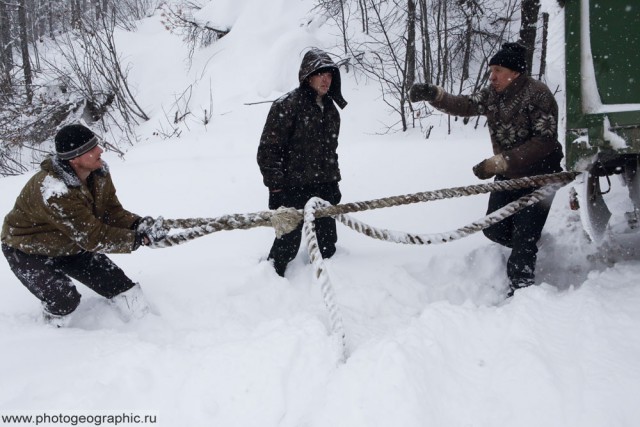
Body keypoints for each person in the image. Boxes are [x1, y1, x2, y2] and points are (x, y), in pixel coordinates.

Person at [409, 42, 564, 297]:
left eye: (498, 70)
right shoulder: (493, 94)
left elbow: (544, 141)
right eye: (491, 70)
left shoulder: (538, 95)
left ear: (514, 72)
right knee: (493, 228)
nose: (492, 76)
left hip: (540, 175)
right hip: (509, 175)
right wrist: (434, 95)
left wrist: (501, 162)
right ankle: (528, 242)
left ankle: (523, 293)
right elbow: (465, 105)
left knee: (524, 237)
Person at [1, 124, 167, 326]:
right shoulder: (54, 191)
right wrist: (138, 239)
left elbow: (110, 212)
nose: (100, 150)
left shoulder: (99, 172)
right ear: (74, 158)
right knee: (64, 299)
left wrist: (138, 225)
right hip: (27, 249)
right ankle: (51, 333)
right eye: (91, 149)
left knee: (120, 285)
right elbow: (93, 238)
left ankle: (152, 325)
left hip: (70, 241)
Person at [257, 48, 348, 277]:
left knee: (327, 243)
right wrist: (276, 187)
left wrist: (333, 183)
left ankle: (325, 282)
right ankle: (269, 282)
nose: (326, 79)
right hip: (291, 187)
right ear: (308, 76)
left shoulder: (331, 111)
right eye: (321, 74)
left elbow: (330, 151)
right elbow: (268, 151)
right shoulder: (286, 106)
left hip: (323, 188)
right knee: (286, 245)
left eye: (330, 74)